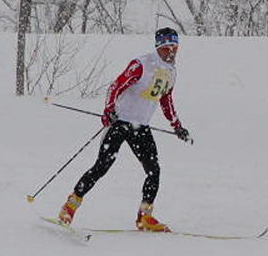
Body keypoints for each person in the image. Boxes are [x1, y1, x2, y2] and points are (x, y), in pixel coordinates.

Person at [57, 27, 191, 231]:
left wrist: (177, 125)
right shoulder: (141, 64)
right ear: (158, 47)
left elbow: (166, 98)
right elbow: (115, 87)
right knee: (102, 166)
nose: (171, 52)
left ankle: (144, 217)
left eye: (174, 48)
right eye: (166, 48)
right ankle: (70, 207)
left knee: (153, 171)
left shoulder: (171, 71)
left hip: (141, 127)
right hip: (120, 123)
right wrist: (109, 110)